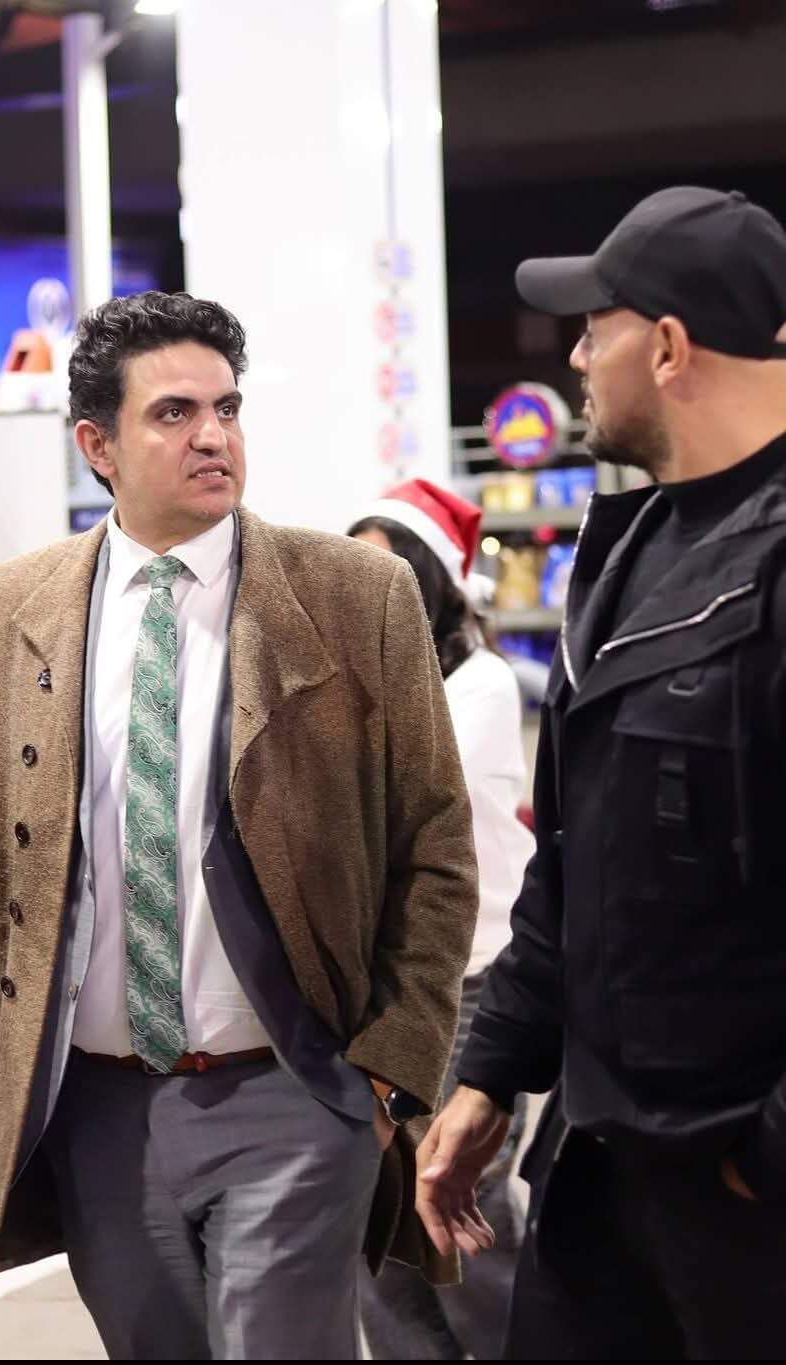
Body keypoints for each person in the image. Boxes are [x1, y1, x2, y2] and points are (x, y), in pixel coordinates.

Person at [412, 187, 786, 1359]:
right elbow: (575, 862)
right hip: (607, 1180)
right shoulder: (637, 547)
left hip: (785, 1226)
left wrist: (773, 1159)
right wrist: (492, 1073)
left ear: (665, 347)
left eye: (591, 329)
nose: (575, 358)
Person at [0, 291, 477, 1357]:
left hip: (297, 1089)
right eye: (173, 413)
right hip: (99, 1107)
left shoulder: (356, 595)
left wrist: (390, 1067)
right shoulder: (6, 608)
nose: (212, 436)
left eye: (226, 408)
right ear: (97, 446)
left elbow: (435, 843)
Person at [347, 478, 535, 1360]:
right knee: (377, 1213)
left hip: (466, 987)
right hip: (370, 994)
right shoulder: (358, 687)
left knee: (462, 1202)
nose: (363, 596)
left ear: (427, 582)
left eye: (383, 576)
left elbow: (397, 800)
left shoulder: (481, 683)